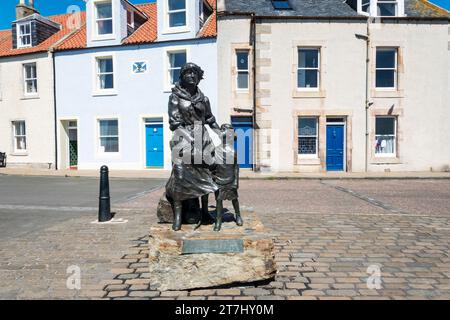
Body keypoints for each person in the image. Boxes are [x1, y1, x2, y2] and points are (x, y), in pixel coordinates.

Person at [165, 62, 220, 231]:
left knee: (206, 175)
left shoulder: (203, 99)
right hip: (183, 137)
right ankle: (179, 215)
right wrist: (190, 139)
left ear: (199, 77)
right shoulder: (175, 97)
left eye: (194, 73)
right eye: (188, 73)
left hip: (202, 137)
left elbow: (210, 119)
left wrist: (221, 133)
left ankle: (204, 212)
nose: (191, 76)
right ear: (182, 77)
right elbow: (174, 123)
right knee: (181, 176)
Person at [210, 124, 243, 231]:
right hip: (219, 179)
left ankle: (238, 215)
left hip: (230, 179)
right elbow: (211, 165)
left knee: (234, 199)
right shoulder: (215, 150)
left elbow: (236, 168)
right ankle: (218, 220)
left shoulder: (233, 151)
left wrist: (236, 182)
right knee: (219, 201)